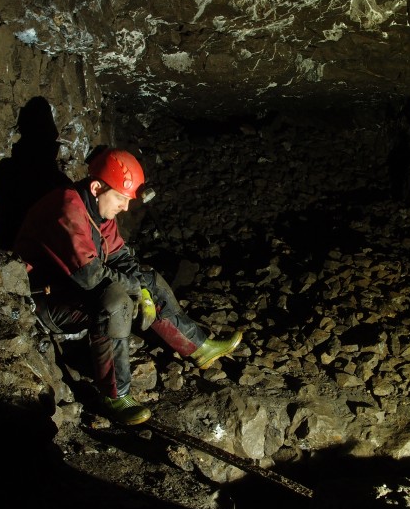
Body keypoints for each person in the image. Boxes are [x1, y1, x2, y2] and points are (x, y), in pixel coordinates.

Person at [13, 147, 243, 426]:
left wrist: (143, 287)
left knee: (150, 279)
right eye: (121, 198)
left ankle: (198, 346)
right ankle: (114, 395)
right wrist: (135, 289)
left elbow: (120, 255)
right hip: (49, 303)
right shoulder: (67, 208)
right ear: (97, 187)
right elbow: (90, 275)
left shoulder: (97, 211)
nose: (125, 207)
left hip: (75, 290)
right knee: (116, 302)